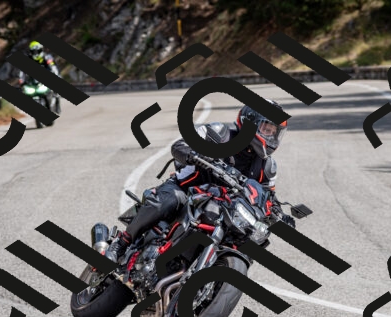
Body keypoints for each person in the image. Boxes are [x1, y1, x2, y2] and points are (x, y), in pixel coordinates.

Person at [105, 99, 296, 263]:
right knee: (170, 199)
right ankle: (122, 243)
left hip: (225, 206)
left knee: (248, 237)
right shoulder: (220, 133)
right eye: (267, 128)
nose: (271, 135)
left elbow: (268, 195)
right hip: (187, 190)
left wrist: (279, 214)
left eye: (274, 132)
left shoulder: (267, 166)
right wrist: (192, 153)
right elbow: (181, 144)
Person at [18, 41, 61, 113]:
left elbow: (53, 67)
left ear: (41, 50)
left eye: (37, 51)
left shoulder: (47, 57)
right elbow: (22, 71)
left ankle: (57, 102)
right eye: (34, 51)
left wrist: (56, 75)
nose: (36, 53)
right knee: (26, 91)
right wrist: (21, 81)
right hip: (33, 79)